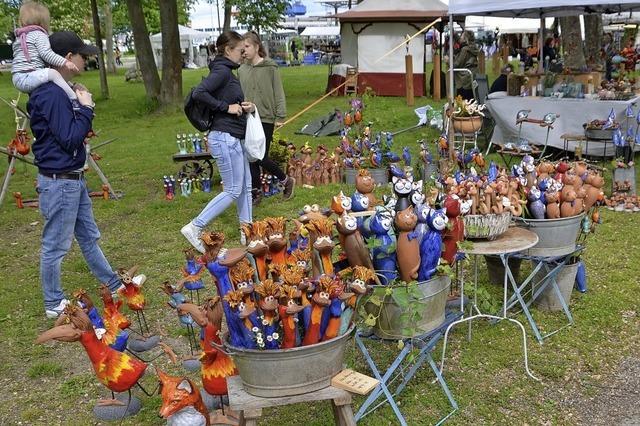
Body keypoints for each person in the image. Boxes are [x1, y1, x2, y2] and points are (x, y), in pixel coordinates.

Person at [27, 31, 123, 319]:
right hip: (60, 182)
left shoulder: (59, 90)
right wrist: (87, 109)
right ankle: (53, 302)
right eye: (83, 55)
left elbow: (67, 136)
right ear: (67, 58)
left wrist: (79, 107)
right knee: (55, 244)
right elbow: (69, 138)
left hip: (72, 179)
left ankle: (113, 283)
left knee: (88, 236)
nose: (86, 60)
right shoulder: (51, 93)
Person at [181, 31, 255, 253]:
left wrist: (243, 107)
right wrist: (226, 108)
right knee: (233, 189)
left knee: (245, 187)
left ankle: (248, 232)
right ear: (228, 50)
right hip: (224, 137)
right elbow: (199, 94)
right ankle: (195, 226)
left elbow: (223, 99)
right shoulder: (222, 71)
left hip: (233, 136)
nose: (243, 54)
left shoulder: (227, 72)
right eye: (241, 50)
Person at [239, 31, 295, 206]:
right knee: (251, 155)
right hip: (248, 117)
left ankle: (286, 180)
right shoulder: (241, 69)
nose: (244, 50)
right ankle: (256, 192)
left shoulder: (270, 67)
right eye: (242, 48)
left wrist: (281, 115)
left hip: (266, 117)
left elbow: (278, 92)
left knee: (260, 155)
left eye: (247, 46)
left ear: (257, 46)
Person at [11, 1, 79, 101]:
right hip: (27, 76)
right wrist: (65, 62)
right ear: (43, 21)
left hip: (18, 78)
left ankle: (70, 87)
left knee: (51, 76)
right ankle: (74, 99)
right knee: (52, 73)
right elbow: (46, 54)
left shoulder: (21, 37)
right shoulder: (38, 34)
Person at [453, 30, 480, 100]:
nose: (460, 38)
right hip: (472, 75)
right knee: (471, 98)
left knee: (463, 101)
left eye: (462, 36)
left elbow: (457, 64)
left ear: (465, 38)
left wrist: (449, 61)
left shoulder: (465, 49)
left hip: (464, 79)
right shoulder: (473, 48)